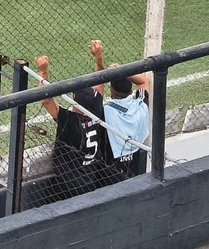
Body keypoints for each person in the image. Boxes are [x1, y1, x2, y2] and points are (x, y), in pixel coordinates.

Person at [33, 54, 105, 200]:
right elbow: (101, 82)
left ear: (76, 104)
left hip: (65, 186)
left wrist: (43, 71)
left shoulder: (70, 120)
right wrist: (98, 59)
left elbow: (46, 100)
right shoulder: (97, 111)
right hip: (89, 181)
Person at [90, 39, 151, 185]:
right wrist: (122, 70)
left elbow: (97, 91)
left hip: (109, 169)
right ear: (131, 90)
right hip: (135, 164)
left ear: (111, 92)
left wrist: (99, 60)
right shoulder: (140, 106)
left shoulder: (105, 112)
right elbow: (144, 82)